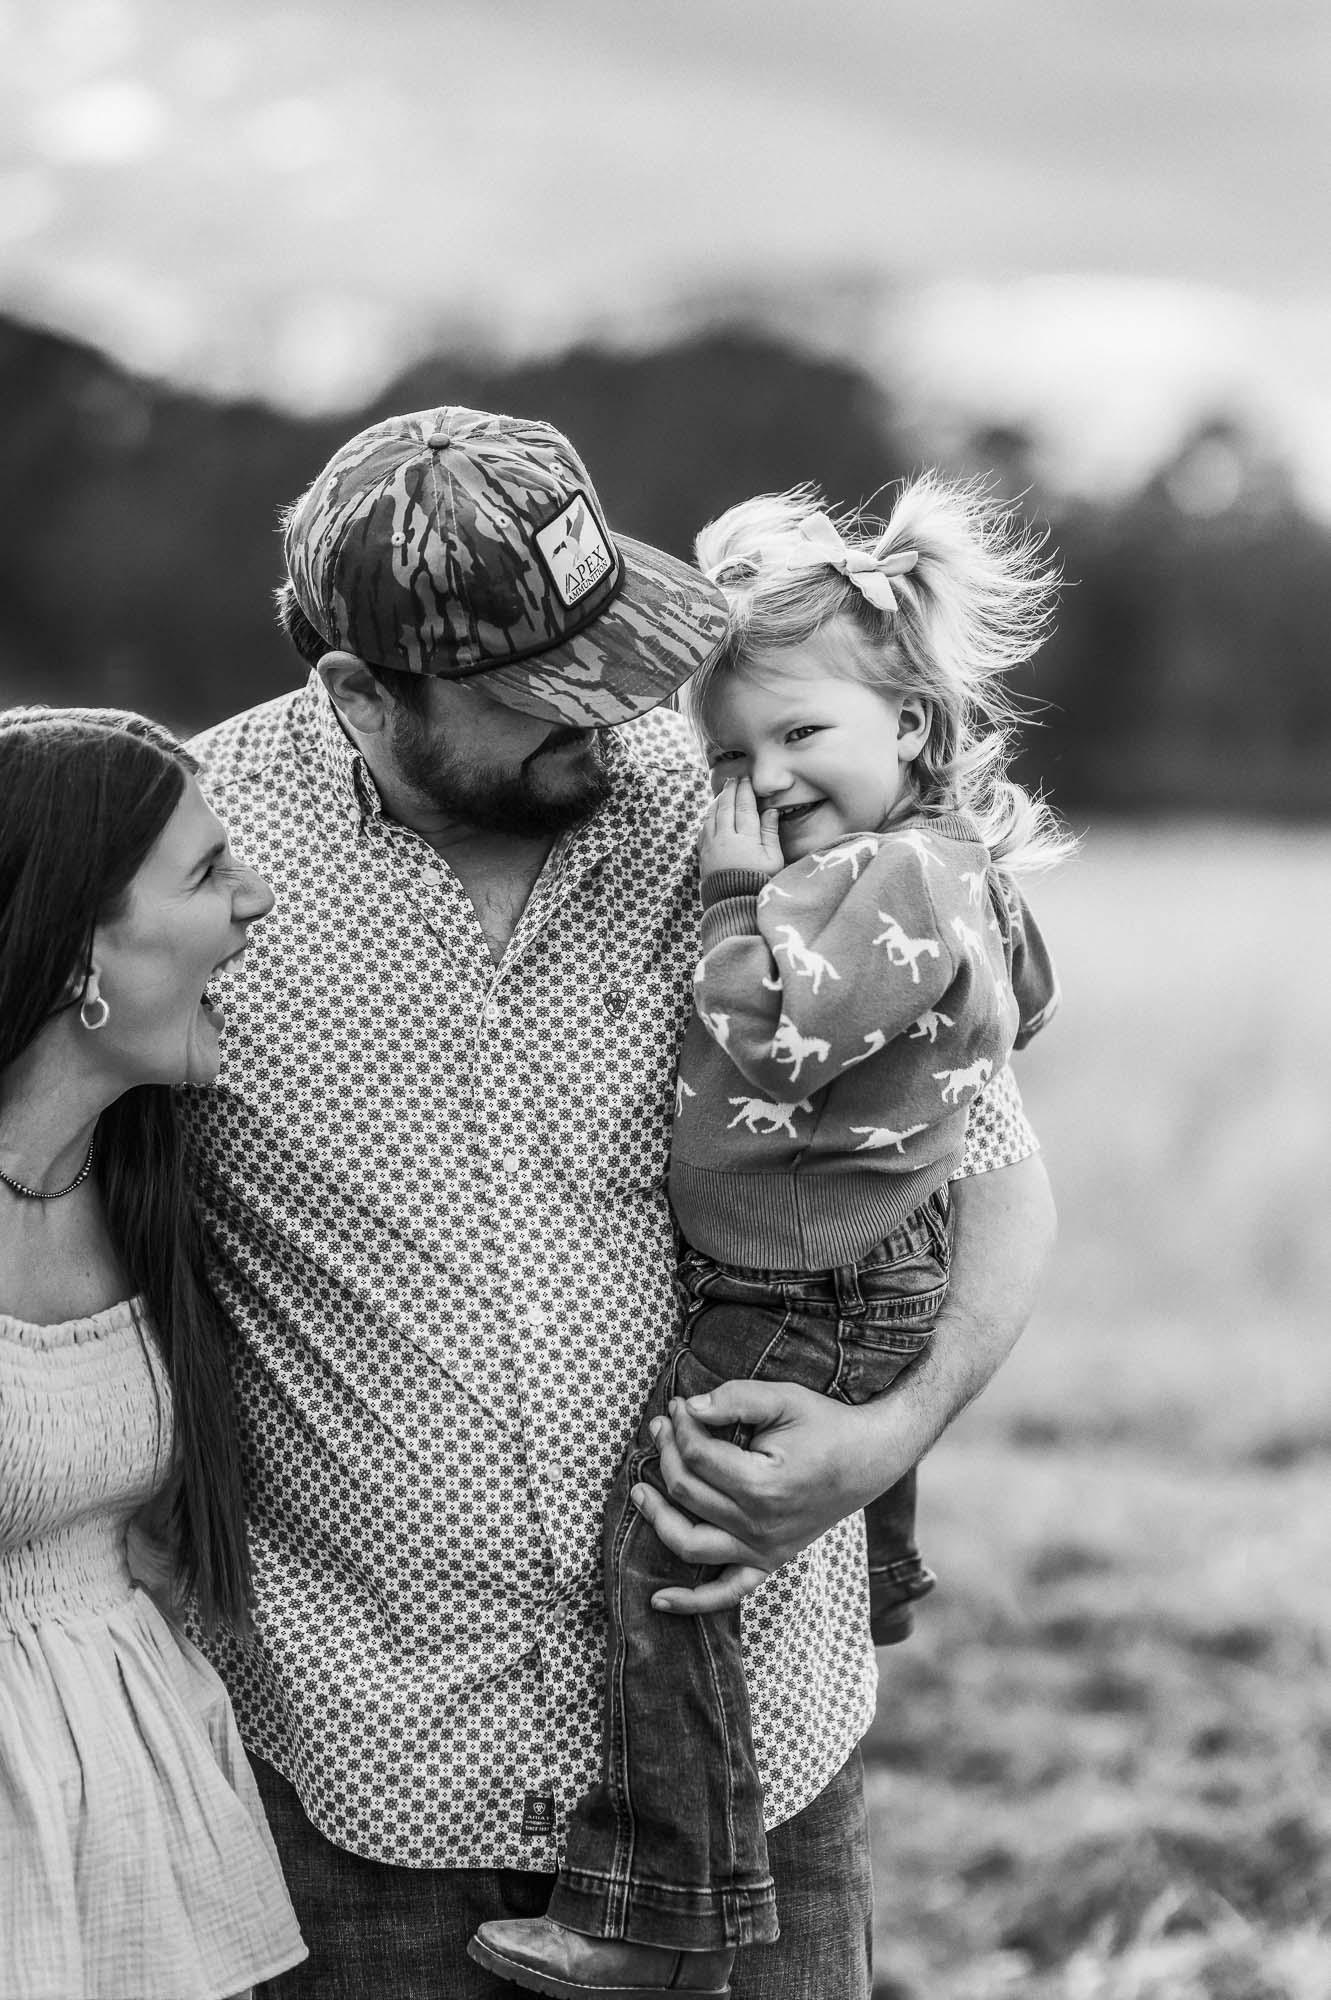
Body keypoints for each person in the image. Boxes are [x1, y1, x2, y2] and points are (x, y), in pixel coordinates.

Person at [180, 406, 1057, 2000]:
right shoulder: (191, 862)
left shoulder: (743, 799)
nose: (609, 711)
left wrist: (885, 1439)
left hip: (763, 1770)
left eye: (614, 645)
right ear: (361, 692)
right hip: (367, 1783)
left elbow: (988, 1168)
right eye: (539, 692)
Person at [471, 475, 1070, 1995]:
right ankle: (882, 1573)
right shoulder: (908, 868)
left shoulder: (888, 878)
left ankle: (662, 1901)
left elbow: (780, 1037)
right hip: (832, 1257)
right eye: (732, 755)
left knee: (664, 1554)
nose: (766, 778)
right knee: (752, 1517)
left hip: (809, 1278)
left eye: (802, 734)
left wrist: (735, 904)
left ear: (913, 727)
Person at [0, 706, 305, 2000]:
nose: (259, 898)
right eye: (205, 873)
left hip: (137, 1798)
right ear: (82, 944)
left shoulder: (139, 1182)